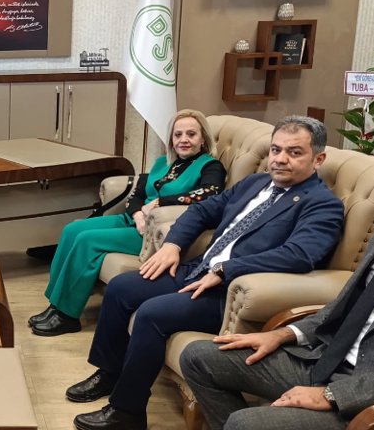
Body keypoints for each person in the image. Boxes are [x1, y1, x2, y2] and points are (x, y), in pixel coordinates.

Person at [68, 116, 346, 430]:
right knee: (121, 288)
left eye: (294, 152)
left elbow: (299, 255)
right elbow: (202, 210)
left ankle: (127, 412)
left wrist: (226, 269)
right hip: (197, 269)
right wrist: (172, 245)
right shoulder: (255, 183)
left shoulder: (323, 205)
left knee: (151, 314)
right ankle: (109, 374)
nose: (280, 159)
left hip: (227, 291)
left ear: (318, 159)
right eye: (275, 149)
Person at [179, 117, 374, 430]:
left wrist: (334, 394)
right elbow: (350, 305)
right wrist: (283, 334)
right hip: (324, 359)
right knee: (198, 357)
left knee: (245, 423)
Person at [30, 109, 228, 337]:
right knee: (72, 230)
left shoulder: (210, 166)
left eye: (191, 134)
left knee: (86, 240)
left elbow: (209, 194)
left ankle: (67, 316)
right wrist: (137, 215)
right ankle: (55, 305)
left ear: (203, 139)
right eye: (178, 134)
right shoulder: (163, 162)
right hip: (135, 221)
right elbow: (138, 193)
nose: (184, 140)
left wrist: (161, 202)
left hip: (154, 233)